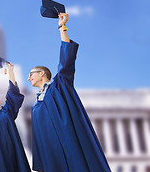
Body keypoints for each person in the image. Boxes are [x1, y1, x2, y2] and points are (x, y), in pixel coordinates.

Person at [29, 13, 111, 172]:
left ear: (42, 74)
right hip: (52, 156)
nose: (28, 78)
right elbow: (37, 137)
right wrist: (40, 164)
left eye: (31, 74)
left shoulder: (60, 86)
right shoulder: (35, 106)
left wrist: (62, 28)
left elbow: (66, 62)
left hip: (71, 145)